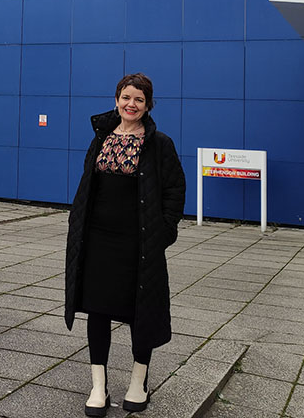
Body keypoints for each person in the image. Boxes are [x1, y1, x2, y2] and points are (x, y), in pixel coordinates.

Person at [64, 73, 186, 416]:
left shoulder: (158, 143)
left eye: (139, 100)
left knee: (140, 311)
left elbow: (175, 189)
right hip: (99, 240)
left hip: (139, 243)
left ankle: (138, 381)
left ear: (148, 105)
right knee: (98, 310)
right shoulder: (101, 137)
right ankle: (98, 386)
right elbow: (89, 183)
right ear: (117, 99)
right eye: (126, 97)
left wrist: (165, 231)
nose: (131, 105)